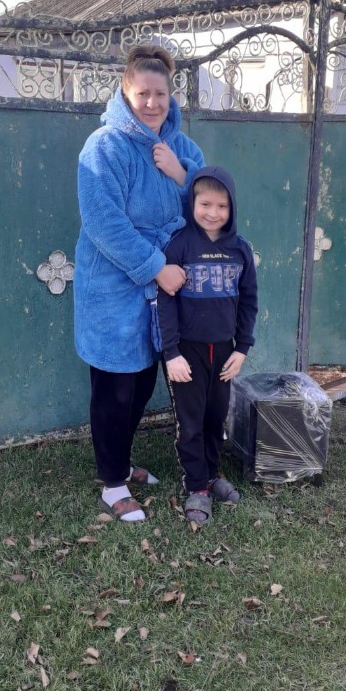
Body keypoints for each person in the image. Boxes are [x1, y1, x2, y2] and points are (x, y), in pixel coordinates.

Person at [74, 44, 205, 522]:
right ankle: (113, 485)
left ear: (172, 97)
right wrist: (155, 267)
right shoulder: (104, 147)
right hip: (115, 286)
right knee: (115, 386)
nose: (152, 103)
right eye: (142, 94)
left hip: (163, 292)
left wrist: (180, 173)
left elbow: (212, 203)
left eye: (160, 95)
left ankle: (123, 464)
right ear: (125, 93)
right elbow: (103, 223)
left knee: (144, 380)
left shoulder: (183, 148)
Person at [157, 166, 258, 524]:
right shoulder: (179, 246)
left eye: (221, 206)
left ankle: (212, 475)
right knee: (191, 422)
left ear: (232, 208)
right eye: (205, 204)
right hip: (187, 352)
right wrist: (171, 353)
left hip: (225, 351)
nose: (213, 213)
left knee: (216, 417)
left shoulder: (240, 250)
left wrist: (242, 348)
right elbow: (165, 303)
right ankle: (196, 486)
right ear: (192, 204)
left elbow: (249, 301)